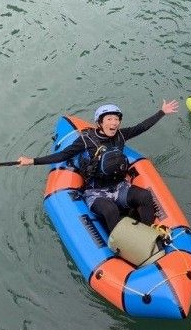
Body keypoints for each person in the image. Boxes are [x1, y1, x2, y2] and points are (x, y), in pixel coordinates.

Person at [18, 100, 179, 234]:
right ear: (100, 122)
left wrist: (162, 112)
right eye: (109, 119)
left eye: (116, 119)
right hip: (95, 192)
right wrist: (31, 160)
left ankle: (148, 234)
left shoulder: (121, 135)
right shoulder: (86, 140)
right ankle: (121, 246)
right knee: (110, 211)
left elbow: (142, 127)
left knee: (144, 196)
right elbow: (63, 155)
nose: (114, 123)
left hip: (120, 187)